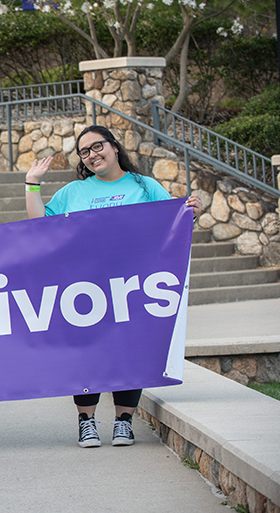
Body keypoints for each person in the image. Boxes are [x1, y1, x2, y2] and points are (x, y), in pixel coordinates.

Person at [25, 124, 203, 448]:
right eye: (85, 152)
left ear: (114, 146)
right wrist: (32, 184)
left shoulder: (144, 186)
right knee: (86, 353)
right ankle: (86, 422)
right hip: (83, 287)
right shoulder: (73, 193)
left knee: (128, 351)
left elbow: (173, 221)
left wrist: (191, 212)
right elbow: (40, 226)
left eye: (97, 146)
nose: (92, 155)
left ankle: (124, 422)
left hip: (132, 284)